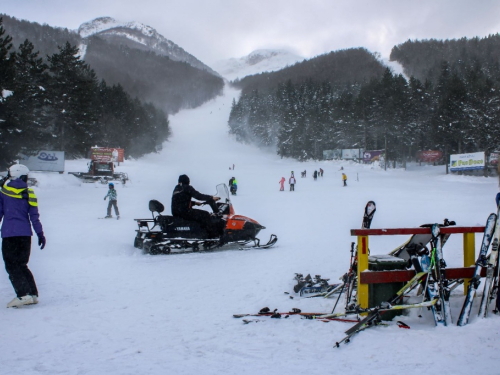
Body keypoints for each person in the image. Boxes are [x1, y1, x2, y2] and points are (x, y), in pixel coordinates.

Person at [0, 164, 46, 308]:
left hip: (9, 234)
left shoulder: (3, 192)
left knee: (11, 265)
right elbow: (34, 217)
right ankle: (32, 294)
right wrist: (40, 234)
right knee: (22, 264)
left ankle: (22, 294)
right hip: (25, 235)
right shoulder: (29, 193)